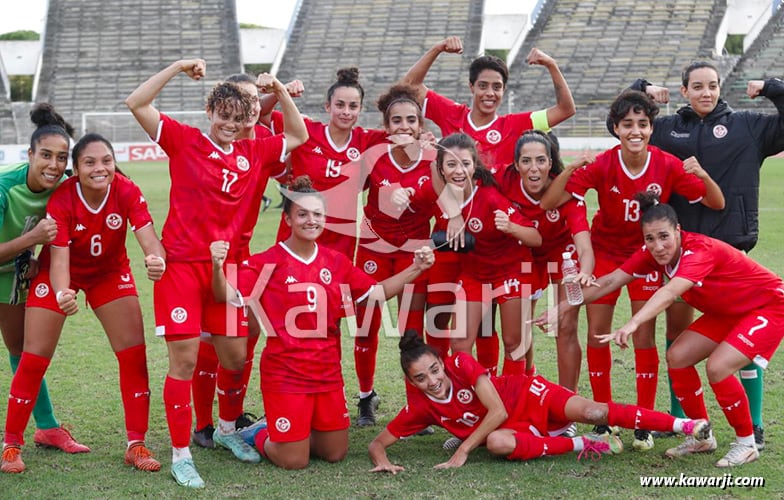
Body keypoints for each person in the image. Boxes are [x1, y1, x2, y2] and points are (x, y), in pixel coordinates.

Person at [125, 58, 308, 488]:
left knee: (234, 356)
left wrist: (279, 90)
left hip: (228, 270)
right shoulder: (185, 140)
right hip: (182, 270)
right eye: (222, 115)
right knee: (184, 361)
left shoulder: (254, 150)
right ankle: (181, 454)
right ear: (211, 113)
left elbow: (297, 135)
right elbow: (137, 103)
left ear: (249, 119)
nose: (229, 123)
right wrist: (175, 68)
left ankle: (226, 429)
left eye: (238, 117)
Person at [538, 192, 784, 467]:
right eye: (650, 238)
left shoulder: (699, 251)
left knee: (718, 367)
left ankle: (746, 443)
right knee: (678, 356)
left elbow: (669, 293)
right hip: (729, 312)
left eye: (664, 236)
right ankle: (701, 435)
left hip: (768, 305)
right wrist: (562, 308)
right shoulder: (651, 254)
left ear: (678, 231)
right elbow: (610, 281)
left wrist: (633, 323)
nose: (657, 246)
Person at [540, 90, 724, 451]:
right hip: (606, 253)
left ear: (651, 128)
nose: (635, 131)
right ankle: (605, 420)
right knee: (597, 333)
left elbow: (715, 202)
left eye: (642, 124)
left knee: (642, 335)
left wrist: (702, 173)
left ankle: (642, 419)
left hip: (649, 255)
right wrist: (575, 167)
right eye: (627, 124)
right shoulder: (605, 163)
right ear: (616, 128)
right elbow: (550, 200)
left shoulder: (667, 164)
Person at [210, 176, 435, 470]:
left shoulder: (336, 262)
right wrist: (217, 267)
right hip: (285, 375)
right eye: (302, 214)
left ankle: (294, 431)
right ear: (288, 218)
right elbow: (226, 294)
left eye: (317, 214)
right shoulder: (268, 261)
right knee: (294, 461)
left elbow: (375, 294)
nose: (310, 220)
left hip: (326, 373)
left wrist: (415, 269)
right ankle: (261, 432)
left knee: (334, 453)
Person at [623, 63, 784, 448]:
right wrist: (644, 88)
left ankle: (755, 424)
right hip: (681, 252)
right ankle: (685, 422)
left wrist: (772, 87)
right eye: (697, 86)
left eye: (711, 85)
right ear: (684, 91)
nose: (705, 92)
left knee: (740, 346)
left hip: (730, 250)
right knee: (679, 337)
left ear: (719, 87)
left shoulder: (748, 125)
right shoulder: (665, 129)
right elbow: (628, 117)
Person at [401, 36, 576, 370]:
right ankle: (463, 391)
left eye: (497, 87)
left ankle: (505, 393)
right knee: (458, 325)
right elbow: (408, 87)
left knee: (509, 334)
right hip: (455, 241)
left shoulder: (516, 124)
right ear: (471, 87)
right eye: (483, 85)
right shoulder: (451, 113)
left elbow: (566, 110)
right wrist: (437, 49)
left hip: (503, 240)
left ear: (504, 91)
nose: (490, 93)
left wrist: (552, 66)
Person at [1, 134, 165, 474]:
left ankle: (136, 444)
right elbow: (59, 259)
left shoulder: (127, 189)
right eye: (89, 162)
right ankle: (11, 446)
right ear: (75, 170)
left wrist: (155, 258)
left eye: (106, 160)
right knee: (32, 358)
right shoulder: (62, 197)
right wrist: (62, 292)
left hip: (110, 273)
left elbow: (150, 240)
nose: (99, 168)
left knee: (134, 356)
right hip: (59, 275)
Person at [367, 330, 711, 471]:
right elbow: (377, 444)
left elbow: (497, 409)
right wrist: (381, 460)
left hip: (527, 395)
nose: (433, 381)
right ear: (409, 381)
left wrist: (463, 448)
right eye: (421, 378)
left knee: (594, 410)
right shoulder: (420, 407)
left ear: (442, 362)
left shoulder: (459, 362)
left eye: (434, 370)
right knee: (498, 442)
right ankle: (585, 443)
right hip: (510, 428)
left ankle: (686, 425)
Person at [189, 72, 303, 449]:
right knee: (209, 346)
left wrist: (277, 94)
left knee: (245, 340)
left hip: (242, 258)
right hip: (203, 259)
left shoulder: (262, 146)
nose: (245, 110)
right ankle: (205, 424)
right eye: (239, 102)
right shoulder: (209, 146)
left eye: (252, 103)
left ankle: (229, 418)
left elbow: (280, 134)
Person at [405, 132, 541, 375]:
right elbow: (427, 185)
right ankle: (471, 397)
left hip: (511, 271)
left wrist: (511, 227)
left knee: (514, 343)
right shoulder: (443, 194)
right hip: (475, 275)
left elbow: (535, 237)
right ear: (441, 169)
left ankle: (513, 400)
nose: (459, 171)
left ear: (475, 165)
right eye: (451, 164)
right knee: (460, 344)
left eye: (465, 164)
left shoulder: (489, 197)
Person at [0, 104, 89, 468]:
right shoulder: (6, 187)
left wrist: (34, 254)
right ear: (30, 154)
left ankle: (47, 427)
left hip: (11, 273)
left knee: (21, 348)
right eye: (46, 156)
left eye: (61, 158)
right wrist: (32, 239)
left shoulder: (63, 188)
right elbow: (32, 232)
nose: (54, 165)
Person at [352, 84, 438, 426]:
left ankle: (416, 405)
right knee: (365, 328)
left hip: (414, 253)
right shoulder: (375, 155)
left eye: (411, 120)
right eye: (396, 120)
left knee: (411, 331)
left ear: (421, 125)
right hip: (373, 249)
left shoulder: (434, 157)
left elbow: (453, 194)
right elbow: (348, 189)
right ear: (386, 127)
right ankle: (365, 397)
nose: (404, 126)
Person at [499, 130, 594, 395]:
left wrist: (584, 273)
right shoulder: (502, 180)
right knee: (519, 328)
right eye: (526, 161)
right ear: (516, 164)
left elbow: (584, 246)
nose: (534, 168)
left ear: (551, 162)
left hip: (563, 256)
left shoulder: (568, 192)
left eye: (541, 160)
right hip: (524, 254)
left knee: (566, 326)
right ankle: (525, 383)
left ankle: (568, 401)